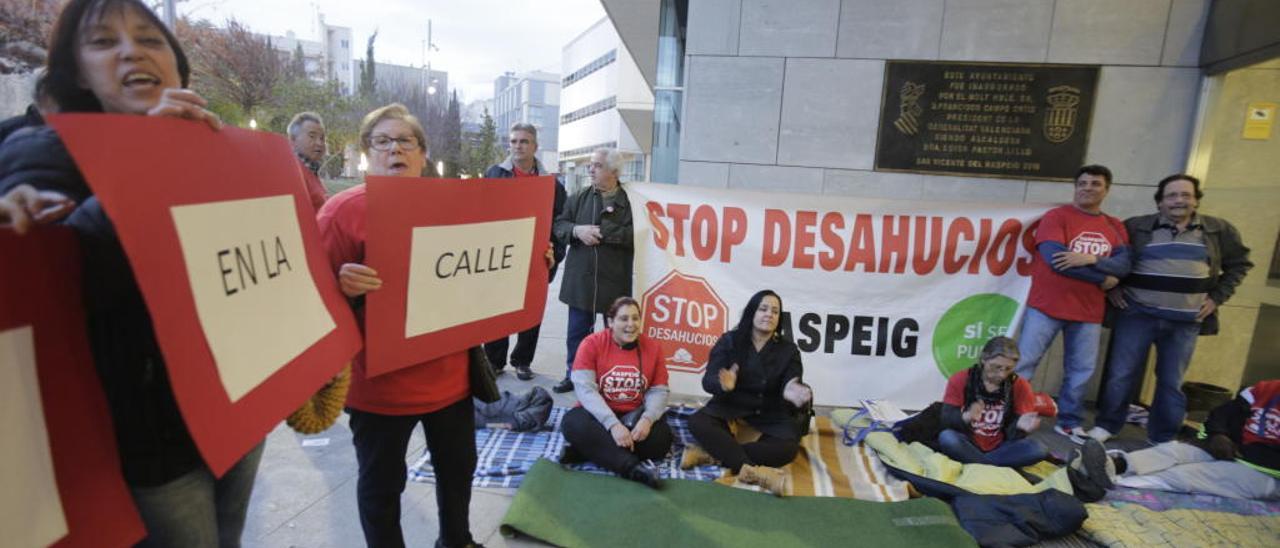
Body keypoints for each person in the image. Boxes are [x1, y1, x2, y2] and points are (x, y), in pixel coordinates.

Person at [0, 1, 261, 546]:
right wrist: (148, 162)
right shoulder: (43, 150)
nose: (130, 51)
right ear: (77, 75)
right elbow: (58, 273)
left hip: (238, 405)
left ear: (176, 64)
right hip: (150, 437)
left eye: (149, 38)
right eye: (102, 42)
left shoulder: (215, 149)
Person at [316, 103, 479, 548]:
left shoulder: (456, 207)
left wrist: (529, 265)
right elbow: (309, 301)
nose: (395, 150)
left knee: (458, 474)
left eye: (405, 141)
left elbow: (486, 272)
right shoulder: (339, 214)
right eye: (382, 141)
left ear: (423, 155)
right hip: (379, 388)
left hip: (451, 380)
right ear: (367, 153)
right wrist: (340, 287)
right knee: (382, 488)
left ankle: (457, 541)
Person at [1089, 174, 1254, 443]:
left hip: (1185, 321)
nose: (1179, 200)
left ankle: (1162, 437)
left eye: (1186, 195)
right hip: (1137, 314)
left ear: (1196, 200)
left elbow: (1240, 265)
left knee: (1170, 381)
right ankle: (1108, 425)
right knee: (1121, 374)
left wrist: (1216, 298)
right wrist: (1113, 287)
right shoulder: (1136, 227)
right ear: (1160, 202)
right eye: (1172, 195)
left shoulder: (1218, 230)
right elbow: (1113, 259)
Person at [1015, 164, 1131, 443]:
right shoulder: (1057, 217)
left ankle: (1069, 422)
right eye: (1083, 183)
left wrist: (1091, 259)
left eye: (1095, 184)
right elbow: (1057, 261)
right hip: (1047, 305)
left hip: (1088, 312)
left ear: (1106, 189)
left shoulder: (1114, 226)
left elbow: (1125, 264)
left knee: (1080, 371)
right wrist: (1103, 277)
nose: (1088, 188)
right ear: (1075, 187)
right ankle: (1012, 413)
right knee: (1025, 364)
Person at [685, 290, 813, 496]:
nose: (769, 314)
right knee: (697, 422)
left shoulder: (788, 350)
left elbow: (792, 380)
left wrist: (793, 391)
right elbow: (708, 381)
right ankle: (755, 474)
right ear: (751, 312)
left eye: (775, 311)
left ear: (779, 318)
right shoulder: (730, 341)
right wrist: (723, 386)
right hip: (730, 410)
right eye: (763, 309)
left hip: (768, 415)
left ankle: (712, 455)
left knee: (788, 449)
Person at [1073, 380, 1279, 500]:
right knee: (1172, 451)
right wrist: (1218, 435)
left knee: (1190, 475)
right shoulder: (1266, 389)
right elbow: (1222, 414)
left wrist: (1240, 453)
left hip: (1264, 472)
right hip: (1231, 449)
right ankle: (1111, 465)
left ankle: (1115, 485)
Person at [481, 122, 567, 381]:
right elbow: (481, 213)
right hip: (502, 254)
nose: (518, 146)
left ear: (535, 147)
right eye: (514, 141)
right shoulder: (495, 174)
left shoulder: (550, 183)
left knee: (530, 311)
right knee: (498, 310)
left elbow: (559, 222)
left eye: (524, 141)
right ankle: (495, 361)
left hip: (534, 256)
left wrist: (555, 254)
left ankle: (522, 360)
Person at [560, 296, 672, 488]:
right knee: (572, 424)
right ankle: (633, 469)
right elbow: (585, 390)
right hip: (598, 416)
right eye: (624, 319)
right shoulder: (591, 344)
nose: (631, 324)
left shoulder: (653, 347)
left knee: (662, 440)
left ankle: (588, 450)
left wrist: (647, 419)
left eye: (635, 318)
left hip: (633, 417)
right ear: (610, 322)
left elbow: (659, 390)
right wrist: (612, 425)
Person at [551, 147, 633, 393]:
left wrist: (603, 232)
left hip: (614, 280)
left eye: (597, 165)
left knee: (615, 335)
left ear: (614, 171)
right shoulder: (579, 196)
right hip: (581, 279)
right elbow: (559, 224)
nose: (591, 169)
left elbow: (637, 235)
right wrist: (577, 231)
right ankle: (573, 375)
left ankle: (612, 378)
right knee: (577, 333)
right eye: (591, 164)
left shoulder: (631, 202)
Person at [938, 336, 1050, 468]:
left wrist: (1020, 427)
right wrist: (966, 416)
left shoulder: (1020, 385)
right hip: (968, 441)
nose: (1002, 374)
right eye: (996, 367)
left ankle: (978, 465)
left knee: (1039, 449)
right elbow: (946, 420)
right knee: (947, 438)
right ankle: (990, 466)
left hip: (1000, 446)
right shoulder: (961, 378)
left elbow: (1013, 435)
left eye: (1008, 369)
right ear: (984, 359)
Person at [286, 111, 329, 212]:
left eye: (322, 138)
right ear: (293, 139)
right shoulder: (292, 173)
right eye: (312, 136)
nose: (319, 143)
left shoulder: (311, 170)